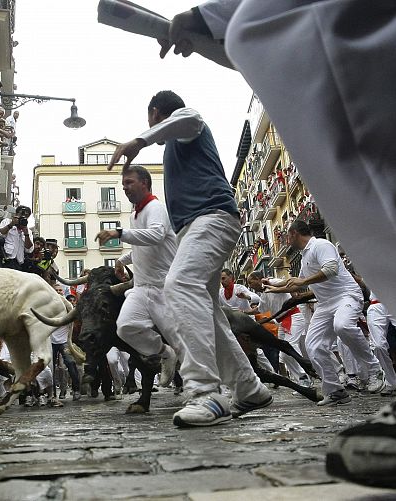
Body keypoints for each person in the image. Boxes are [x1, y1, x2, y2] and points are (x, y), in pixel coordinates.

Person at [160, 1, 396, 487]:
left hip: (341, 298)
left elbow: (326, 273)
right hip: (313, 305)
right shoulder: (299, 252)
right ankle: (282, 385)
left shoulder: (315, 247)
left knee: (287, 29)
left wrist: (218, 15)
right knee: (314, 341)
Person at [107, 90, 271, 427]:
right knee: (209, 314)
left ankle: (206, 393)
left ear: (155, 113)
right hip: (196, 228)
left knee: (179, 285)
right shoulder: (175, 147)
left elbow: (189, 117)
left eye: (150, 119)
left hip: (212, 217)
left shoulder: (188, 123)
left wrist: (139, 140)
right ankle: (249, 388)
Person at [266, 221, 384, 404]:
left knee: (342, 326)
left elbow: (330, 269)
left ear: (295, 233)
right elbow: (300, 283)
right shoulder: (305, 256)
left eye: (287, 235)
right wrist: (274, 287)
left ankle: (374, 369)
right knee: (314, 346)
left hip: (346, 296)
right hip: (325, 304)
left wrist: (301, 281)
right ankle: (335, 391)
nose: (285, 240)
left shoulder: (321, 245)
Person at [95, 164, 177, 387]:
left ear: (145, 183)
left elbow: (156, 235)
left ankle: (206, 392)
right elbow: (142, 246)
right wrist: (121, 260)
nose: (125, 188)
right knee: (126, 326)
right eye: (123, 185)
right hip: (141, 287)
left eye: (129, 183)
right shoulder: (135, 214)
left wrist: (118, 233)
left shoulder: (156, 208)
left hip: (164, 288)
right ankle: (164, 352)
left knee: (182, 341)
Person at [0, 205, 34, 271]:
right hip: (4, 260)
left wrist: (26, 234)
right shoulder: (7, 222)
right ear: (16, 214)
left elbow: (29, 249)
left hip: (18, 264)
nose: (23, 217)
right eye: (21, 214)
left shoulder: (28, 231)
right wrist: (11, 224)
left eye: (26, 216)